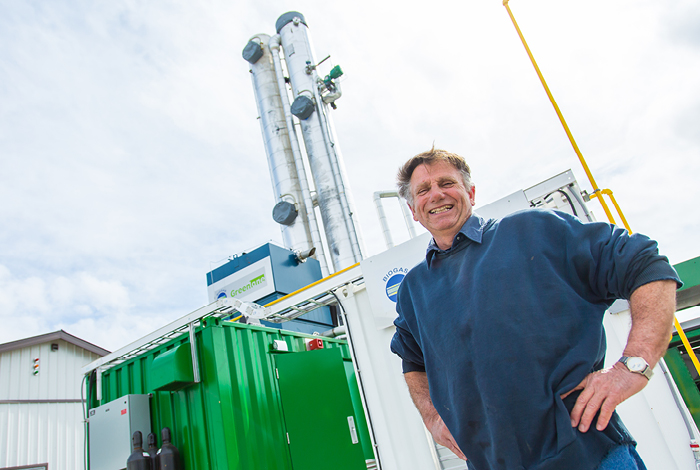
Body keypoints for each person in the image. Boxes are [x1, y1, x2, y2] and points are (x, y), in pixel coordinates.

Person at [389, 148, 681, 470]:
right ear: (413, 210)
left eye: (447, 183)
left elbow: (643, 263)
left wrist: (633, 365)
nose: (437, 195)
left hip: (588, 455)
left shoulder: (533, 231)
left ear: (470, 192)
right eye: (424, 190)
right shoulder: (414, 289)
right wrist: (432, 417)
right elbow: (412, 360)